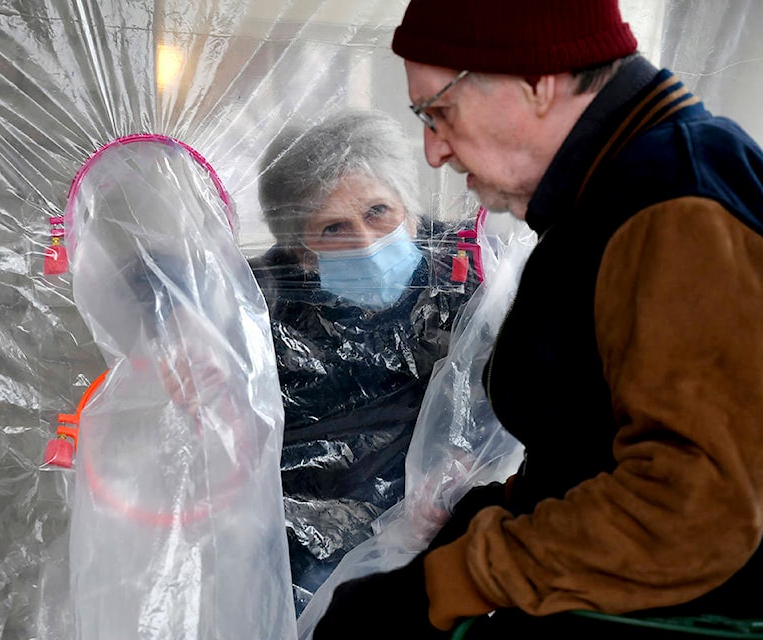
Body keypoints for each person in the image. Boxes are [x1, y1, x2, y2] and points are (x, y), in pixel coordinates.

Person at [314, 1, 763, 638]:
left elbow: (694, 506)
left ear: (537, 80)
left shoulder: (676, 205)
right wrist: (499, 509)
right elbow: (597, 434)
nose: (432, 151)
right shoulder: (613, 195)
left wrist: (450, 583)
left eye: (439, 111)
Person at [249, 109, 482, 614]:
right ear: (299, 253)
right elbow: (150, 285)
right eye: (333, 227)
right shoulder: (262, 300)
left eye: (378, 211)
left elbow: (505, 392)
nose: (366, 241)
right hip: (302, 547)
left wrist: (461, 463)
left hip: (441, 532)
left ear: (409, 208)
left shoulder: (467, 276)